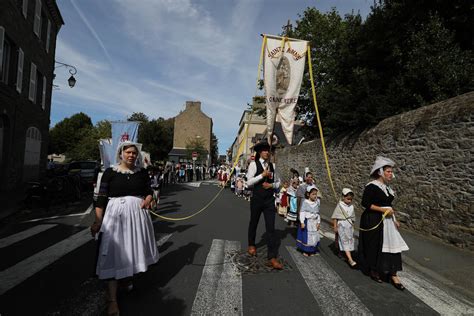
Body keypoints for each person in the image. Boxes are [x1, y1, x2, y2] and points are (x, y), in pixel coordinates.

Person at [91, 141, 159, 315]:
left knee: (131, 250)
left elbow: (149, 190)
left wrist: (149, 198)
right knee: (113, 253)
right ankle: (112, 300)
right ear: (121, 154)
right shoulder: (110, 172)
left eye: (134, 153)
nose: (131, 155)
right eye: (128, 152)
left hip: (137, 217)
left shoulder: (142, 172)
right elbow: (101, 198)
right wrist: (98, 221)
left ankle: (126, 277)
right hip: (115, 216)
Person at [358, 156, 409, 290]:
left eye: (391, 172)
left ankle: (393, 274)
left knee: (393, 246)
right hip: (374, 219)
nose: (391, 174)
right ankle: (374, 269)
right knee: (376, 245)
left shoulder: (387, 188)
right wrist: (382, 211)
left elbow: (389, 205)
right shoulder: (372, 186)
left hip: (388, 220)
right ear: (380, 172)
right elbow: (365, 203)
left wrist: (395, 219)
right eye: (388, 171)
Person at [246, 140, 283, 269]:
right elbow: (248, 183)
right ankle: (251, 244)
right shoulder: (253, 165)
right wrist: (262, 175)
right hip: (257, 199)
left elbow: (279, 183)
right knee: (254, 222)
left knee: (271, 228)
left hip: (269, 201)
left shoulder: (273, 166)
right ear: (260, 152)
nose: (267, 152)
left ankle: (271, 257)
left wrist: (271, 185)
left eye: (268, 150)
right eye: (265, 150)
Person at [331, 188, 357, 267]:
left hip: (348, 226)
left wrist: (352, 226)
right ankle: (350, 259)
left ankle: (341, 252)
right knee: (344, 241)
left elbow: (352, 218)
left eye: (351, 199)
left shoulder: (351, 207)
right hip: (341, 225)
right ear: (343, 197)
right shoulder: (340, 206)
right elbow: (335, 217)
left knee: (346, 241)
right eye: (348, 199)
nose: (349, 201)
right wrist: (335, 226)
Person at [296, 185, 321, 256]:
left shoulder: (317, 203)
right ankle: (306, 250)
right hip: (308, 222)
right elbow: (302, 212)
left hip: (314, 222)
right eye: (313, 194)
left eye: (316, 194)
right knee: (307, 237)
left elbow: (318, 213)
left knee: (314, 237)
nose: (315, 196)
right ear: (308, 194)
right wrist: (302, 222)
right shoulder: (305, 202)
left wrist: (318, 222)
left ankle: (312, 250)